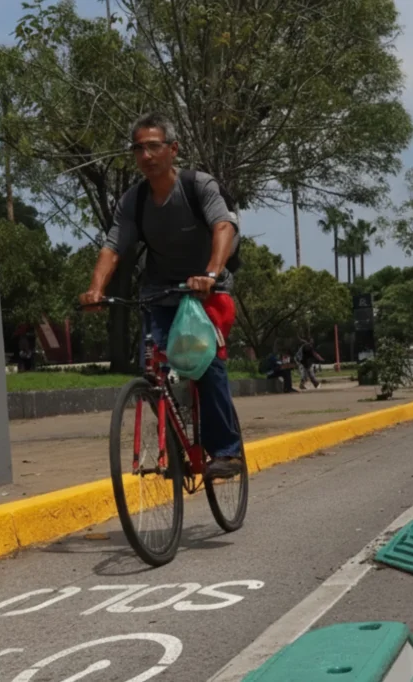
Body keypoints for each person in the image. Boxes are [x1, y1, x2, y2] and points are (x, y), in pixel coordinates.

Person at [79, 112, 242, 479]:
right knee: (155, 371)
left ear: (173, 149)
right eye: (139, 149)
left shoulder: (199, 186)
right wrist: (96, 289)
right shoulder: (134, 202)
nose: (146, 156)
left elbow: (223, 226)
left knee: (205, 361)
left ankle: (227, 452)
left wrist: (211, 274)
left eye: (154, 146)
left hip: (207, 290)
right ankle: (178, 444)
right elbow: (113, 246)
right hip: (160, 291)